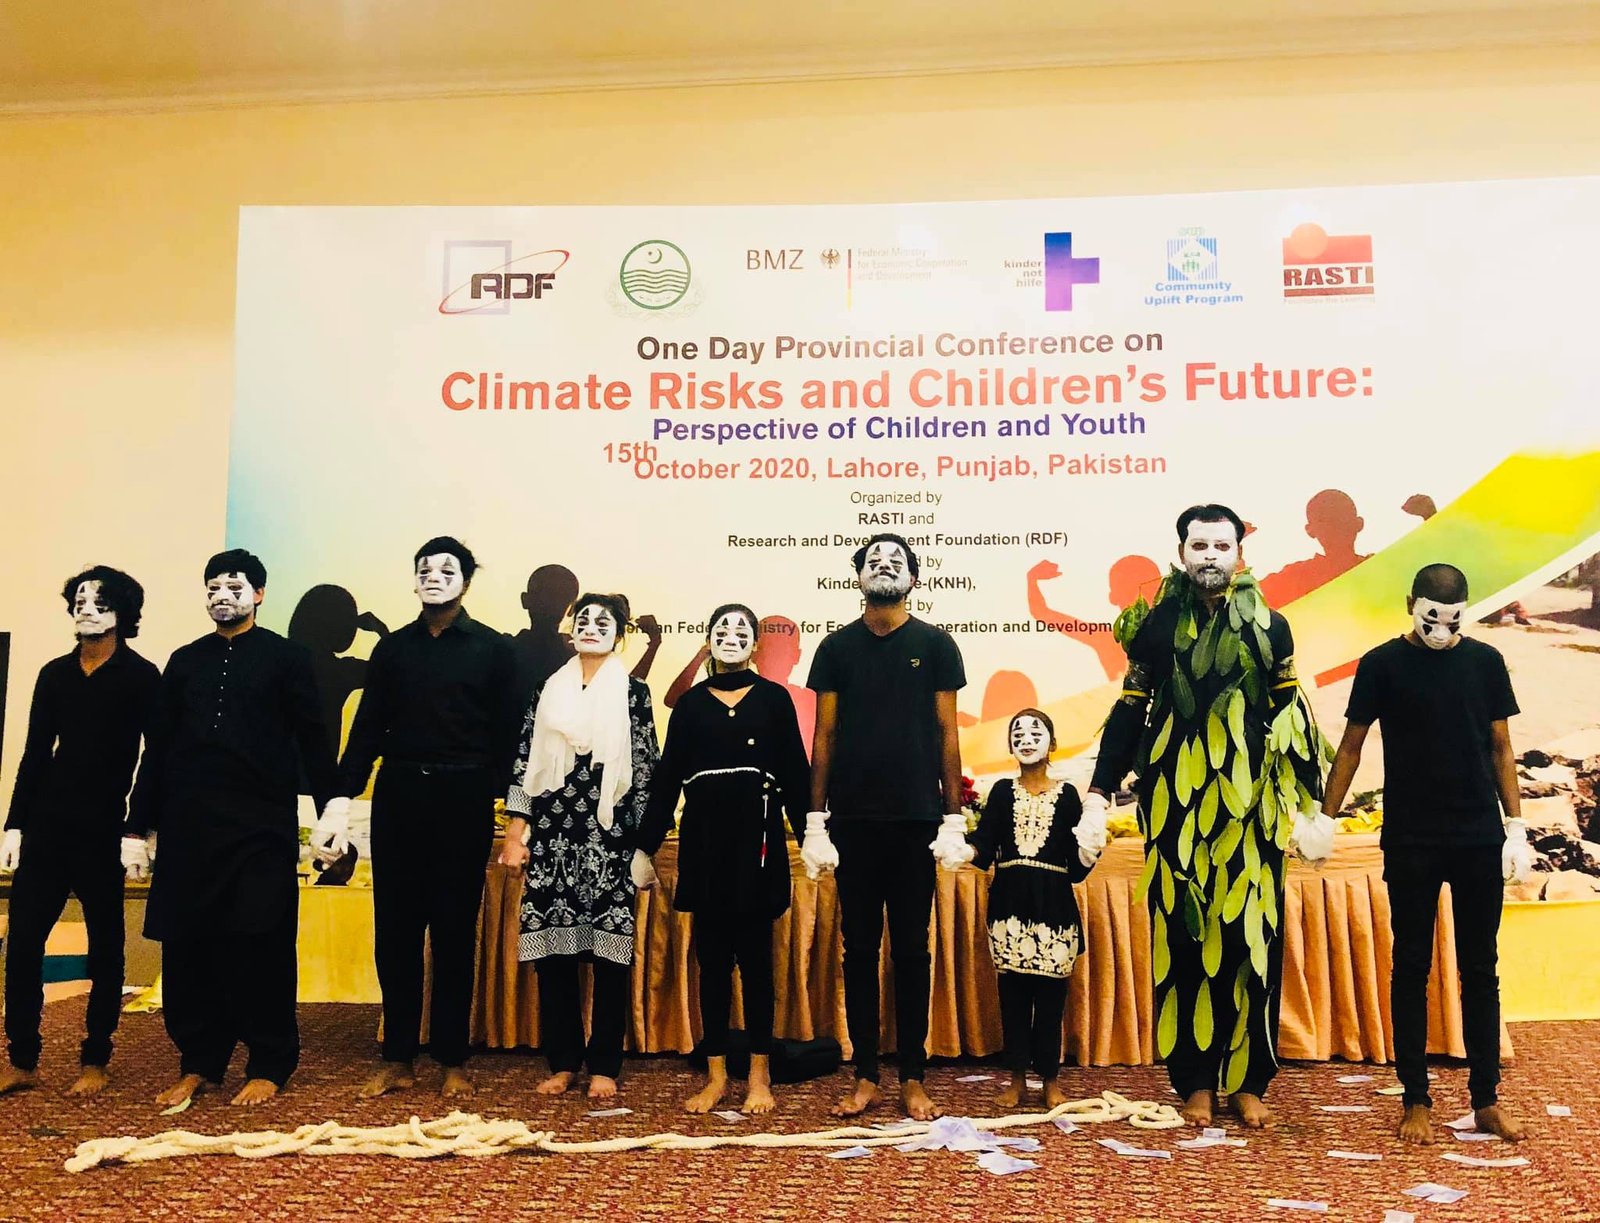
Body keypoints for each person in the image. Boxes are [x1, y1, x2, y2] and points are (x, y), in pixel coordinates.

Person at [1087, 505, 1332, 1129]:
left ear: (1239, 553)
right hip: (1175, 807)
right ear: (1182, 553)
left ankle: (1249, 1080)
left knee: (1253, 942)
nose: (1211, 557)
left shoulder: (1271, 628)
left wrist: (1312, 806)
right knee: (1184, 939)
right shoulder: (1156, 627)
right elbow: (1130, 711)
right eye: (1199, 546)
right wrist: (1097, 791)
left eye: (1222, 546)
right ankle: (1194, 1081)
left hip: (1253, 812)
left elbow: (1290, 715)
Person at [1319, 562, 1528, 1144]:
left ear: (1466, 611)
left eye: (1452, 620)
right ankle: (1415, 1098)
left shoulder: (1485, 662)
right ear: (1409, 604)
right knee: (1411, 966)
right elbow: (1351, 747)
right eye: (1431, 617)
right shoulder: (1381, 664)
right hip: (1412, 836)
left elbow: (1502, 746)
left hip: (1478, 836)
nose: (1441, 630)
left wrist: (1516, 825)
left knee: (1480, 968)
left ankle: (1485, 1099)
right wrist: (1324, 818)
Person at [126, 549, 337, 1108]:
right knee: (188, 946)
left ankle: (269, 1062)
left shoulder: (288, 658)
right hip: (189, 826)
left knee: (261, 942)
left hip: (260, 828)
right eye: (213, 587)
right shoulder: (184, 661)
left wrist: (331, 812)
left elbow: (314, 741)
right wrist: (135, 828)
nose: (223, 596)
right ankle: (199, 1062)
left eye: (235, 586)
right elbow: (158, 748)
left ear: (259, 594)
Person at [317, 538, 520, 1099]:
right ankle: (398, 1058)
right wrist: (341, 798)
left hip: (464, 795)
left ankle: (452, 1060)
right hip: (400, 793)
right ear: (414, 580)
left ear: (466, 582)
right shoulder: (393, 650)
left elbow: (511, 738)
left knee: (454, 933)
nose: (433, 577)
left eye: (446, 570)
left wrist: (518, 815)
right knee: (396, 932)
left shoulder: (493, 650)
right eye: (424, 569)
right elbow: (367, 730)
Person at [804, 533, 966, 1121]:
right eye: (874, 559)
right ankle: (867, 1075)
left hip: (917, 820)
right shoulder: (835, 648)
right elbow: (824, 735)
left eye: (896, 560)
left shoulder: (936, 645)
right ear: (859, 576)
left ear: (913, 578)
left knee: (913, 950)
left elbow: (948, 733)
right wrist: (815, 819)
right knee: (858, 949)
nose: (885, 565)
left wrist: (953, 815)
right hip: (852, 820)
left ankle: (913, 1077)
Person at [638, 604, 810, 1114]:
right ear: (708, 639)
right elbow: (667, 778)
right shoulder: (690, 705)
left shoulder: (774, 699)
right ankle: (715, 1075)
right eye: (721, 628)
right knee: (711, 965)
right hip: (705, 847)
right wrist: (646, 845)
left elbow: (795, 775)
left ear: (755, 645)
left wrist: (813, 835)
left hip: (757, 849)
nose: (731, 636)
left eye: (742, 630)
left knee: (757, 965)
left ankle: (759, 1074)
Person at [0, 567, 160, 1098]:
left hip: (104, 828)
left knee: (106, 945)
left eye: (99, 602)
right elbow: (34, 753)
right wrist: (15, 824)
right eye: (80, 601)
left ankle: (96, 1058)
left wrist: (137, 828)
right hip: (47, 825)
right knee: (23, 943)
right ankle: (22, 1058)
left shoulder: (142, 676)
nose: (86, 609)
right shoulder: (54, 674)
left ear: (123, 612)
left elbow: (155, 757)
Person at [497, 593, 658, 1100]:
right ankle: (563, 1062)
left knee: (610, 957)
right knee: (554, 957)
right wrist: (516, 833)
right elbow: (525, 761)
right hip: (553, 839)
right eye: (583, 619)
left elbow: (646, 770)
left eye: (603, 622)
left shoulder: (633, 693)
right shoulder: (546, 690)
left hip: (610, 839)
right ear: (571, 629)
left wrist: (645, 845)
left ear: (620, 635)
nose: (591, 627)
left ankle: (605, 1065)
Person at [934, 709, 1092, 1111]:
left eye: (1035, 733)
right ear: (1009, 745)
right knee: (1014, 997)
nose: (1026, 740)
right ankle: (1017, 1079)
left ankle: (1050, 1080)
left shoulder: (1068, 796)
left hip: (1055, 905)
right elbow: (985, 847)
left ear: (1053, 743)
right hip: (1009, 905)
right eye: (1017, 734)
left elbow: (1076, 868)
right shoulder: (1003, 792)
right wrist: (962, 851)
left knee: (1052, 999)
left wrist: (1091, 850)